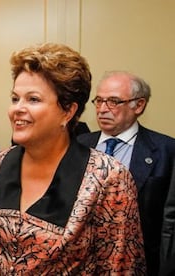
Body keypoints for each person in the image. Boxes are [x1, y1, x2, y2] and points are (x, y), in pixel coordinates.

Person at [0, 43, 146, 275]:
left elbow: (120, 268)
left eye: (33, 99)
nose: (17, 110)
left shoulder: (107, 178)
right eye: (15, 98)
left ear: (67, 111)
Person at [77, 71, 175, 275]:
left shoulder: (167, 150)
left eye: (113, 101)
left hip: (141, 264)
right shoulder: (76, 146)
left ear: (139, 105)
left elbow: (169, 222)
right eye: (99, 101)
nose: (103, 109)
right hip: (81, 263)